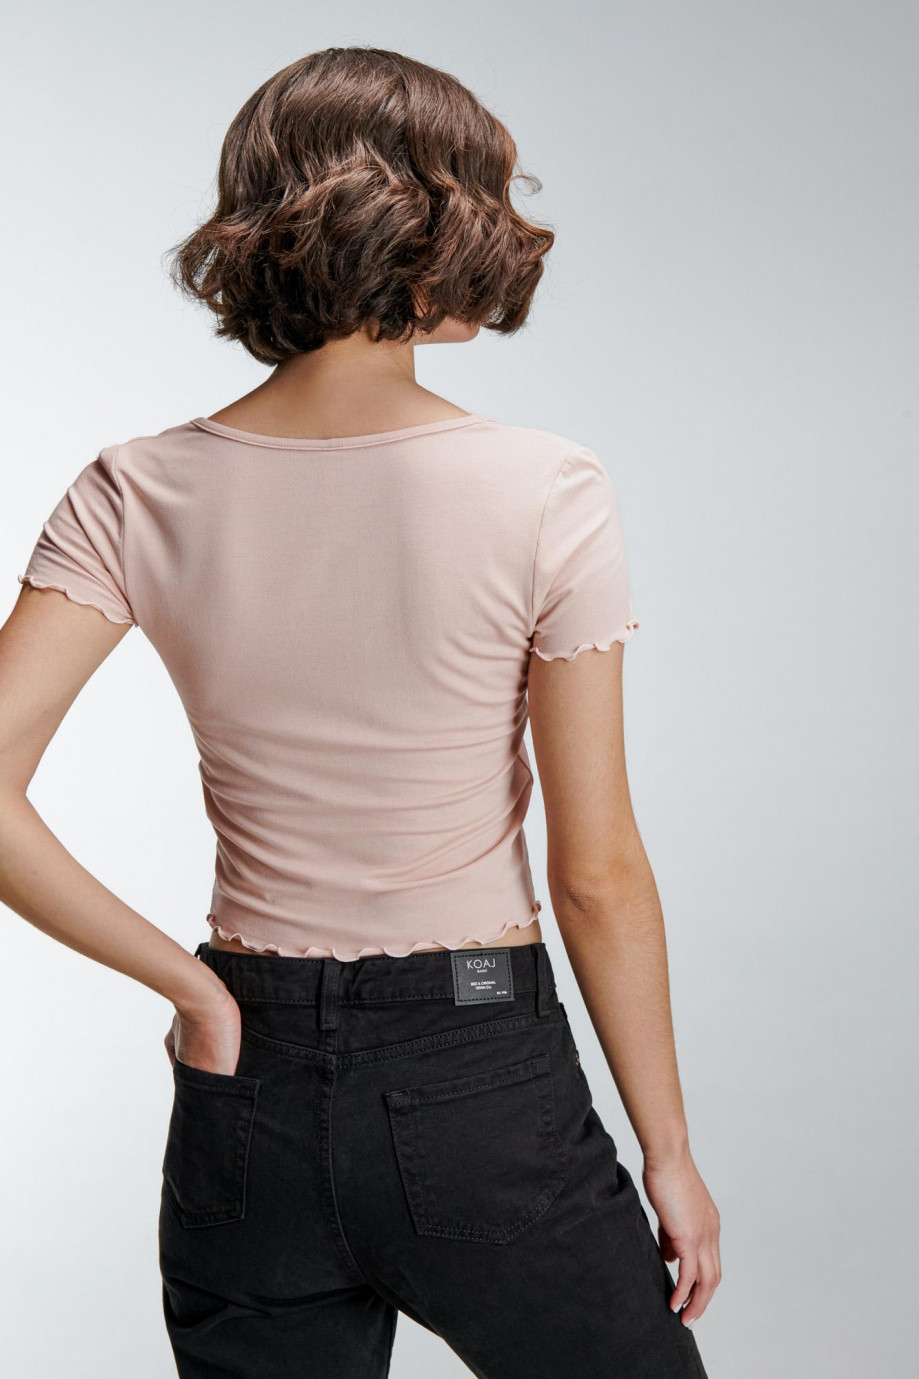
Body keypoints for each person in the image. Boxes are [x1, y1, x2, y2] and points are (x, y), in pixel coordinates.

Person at [1, 45, 720, 1379]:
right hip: (477, 1067)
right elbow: (598, 873)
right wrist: (666, 1153)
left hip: (246, 1085)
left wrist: (194, 991)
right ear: (433, 227)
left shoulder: (135, 489)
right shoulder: (545, 490)